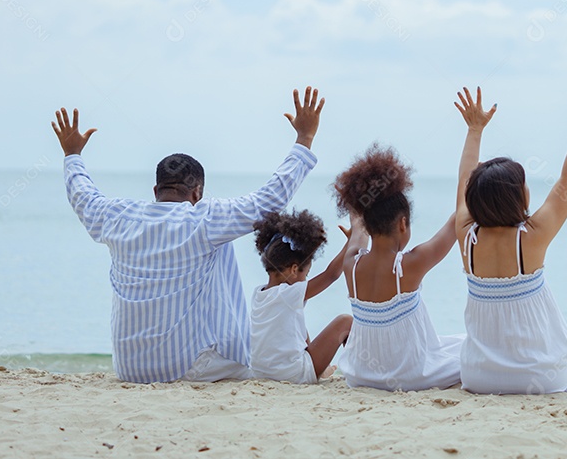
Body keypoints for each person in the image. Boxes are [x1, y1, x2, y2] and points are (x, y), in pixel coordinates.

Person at [52, 87, 325, 383]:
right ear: (197, 193)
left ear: (156, 191)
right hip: (188, 368)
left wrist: (72, 155)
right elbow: (267, 202)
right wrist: (304, 139)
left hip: (129, 369)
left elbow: (83, 197)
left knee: (218, 239)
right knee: (221, 241)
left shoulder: (118, 217)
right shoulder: (203, 219)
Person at [454, 80, 567, 394]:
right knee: (555, 361)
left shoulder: (466, 236)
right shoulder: (531, 238)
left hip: (478, 379)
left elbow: (465, 179)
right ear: (518, 197)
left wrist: (474, 130)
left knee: (453, 345)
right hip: (542, 379)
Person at [333, 144, 463, 391]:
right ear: (403, 224)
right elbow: (457, 220)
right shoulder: (410, 264)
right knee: (468, 348)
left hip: (361, 375)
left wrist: (358, 200)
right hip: (410, 375)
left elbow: (357, 230)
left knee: (454, 344)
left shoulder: (351, 263)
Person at [250, 208, 365, 383]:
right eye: (307, 273)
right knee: (345, 322)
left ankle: (323, 369)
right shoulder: (288, 294)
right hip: (291, 374)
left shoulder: (259, 293)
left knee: (297, 324)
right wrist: (353, 239)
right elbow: (331, 275)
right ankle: (361, 372)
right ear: (294, 269)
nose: (306, 279)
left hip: (261, 372)